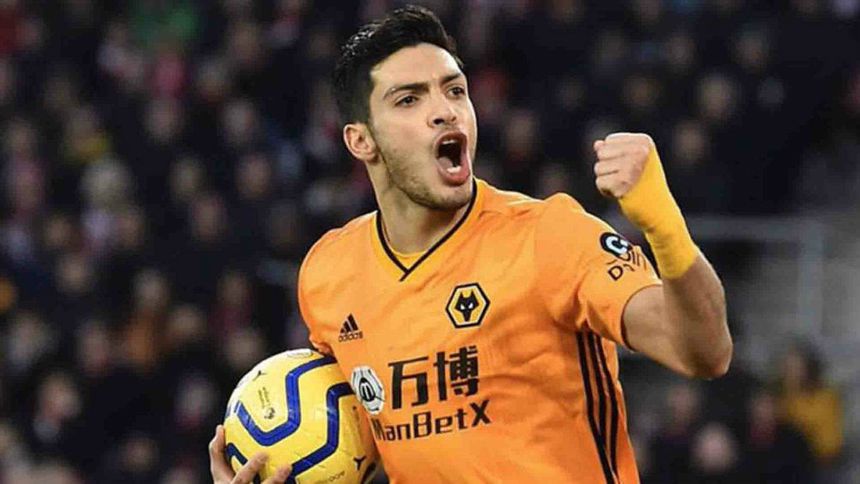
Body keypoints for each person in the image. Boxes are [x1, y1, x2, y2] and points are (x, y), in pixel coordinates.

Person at [209, 6, 732, 484]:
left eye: (455, 91)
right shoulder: (328, 274)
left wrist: (665, 227)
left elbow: (705, 352)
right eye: (409, 99)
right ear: (360, 140)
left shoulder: (549, 236)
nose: (445, 111)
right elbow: (354, 442)